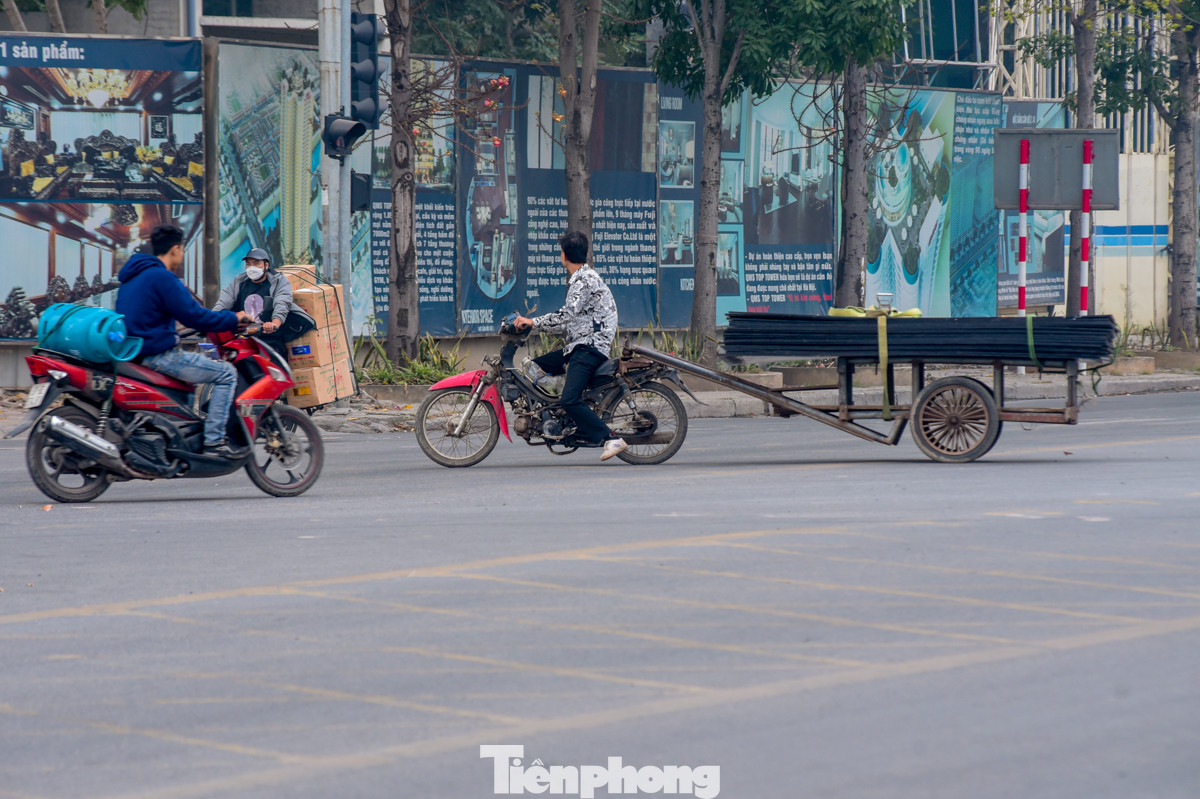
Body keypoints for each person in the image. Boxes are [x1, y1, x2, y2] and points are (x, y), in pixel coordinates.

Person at [116, 225, 252, 458]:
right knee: (226, 374)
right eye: (182, 250)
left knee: (190, 383)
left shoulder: (133, 276)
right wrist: (234, 318)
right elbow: (195, 316)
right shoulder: (162, 277)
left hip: (135, 353)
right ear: (176, 249)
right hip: (158, 355)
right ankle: (214, 442)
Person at [514, 231, 628, 462]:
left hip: (589, 347)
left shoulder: (583, 280)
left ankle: (610, 438)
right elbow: (569, 322)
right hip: (578, 345)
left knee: (570, 398)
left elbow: (566, 315)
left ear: (564, 255)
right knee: (535, 366)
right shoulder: (584, 278)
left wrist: (533, 321)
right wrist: (532, 327)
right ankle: (564, 416)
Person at [213, 247, 315, 360]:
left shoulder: (278, 281)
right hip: (243, 340)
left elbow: (282, 302)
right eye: (248, 264)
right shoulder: (239, 281)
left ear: (266, 265)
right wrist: (212, 319)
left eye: (256, 263)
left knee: (275, 368)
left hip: (270, 341)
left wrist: (274, 323)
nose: (252, 267)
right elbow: (224, 301)